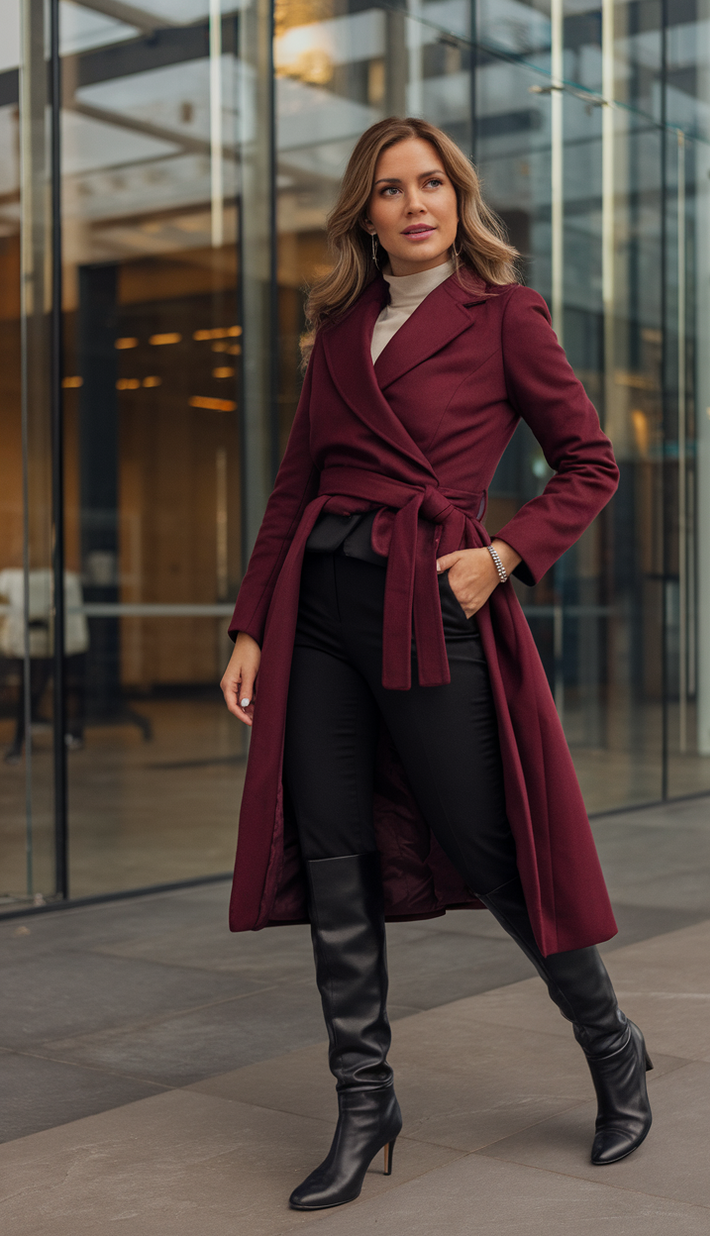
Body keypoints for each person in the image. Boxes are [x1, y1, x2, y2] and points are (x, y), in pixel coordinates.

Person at [220, 116, 652, 1212]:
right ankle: (365, 1103)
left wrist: (501, 556)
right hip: (318, 604)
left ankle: (611, 1047)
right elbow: (290, 491)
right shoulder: (336, 334)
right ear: (363, 213)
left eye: (432, 185)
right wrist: (251, 628)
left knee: (489, 843)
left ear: (457, 200)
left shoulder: (504, 315)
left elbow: (588, 464)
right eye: (390, 190)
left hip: (428, 597)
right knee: (329, 853)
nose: (415, 205)